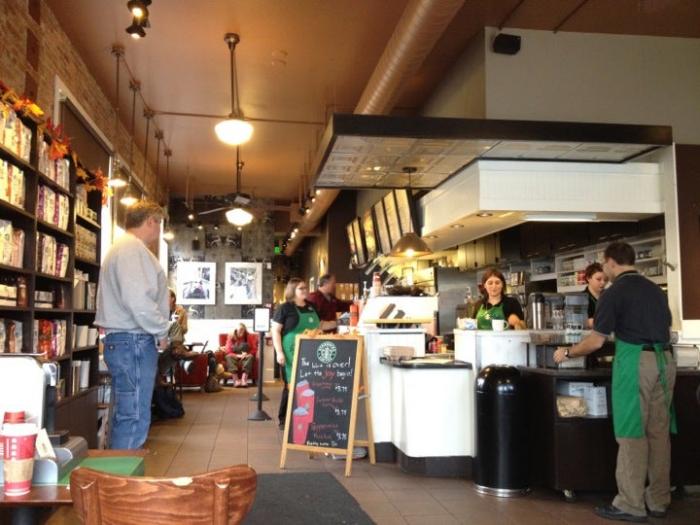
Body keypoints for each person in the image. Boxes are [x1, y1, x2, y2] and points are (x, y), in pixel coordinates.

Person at [554, 242, 675, 523]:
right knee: (659, 433)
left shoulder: (614, 292)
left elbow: (596, 341)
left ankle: (630, 504)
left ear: (610, 262)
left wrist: (569, 352)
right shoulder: (655, 290)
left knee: (632, 431)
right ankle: (658, 500)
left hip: (635, 363)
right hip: (665, 361)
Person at [95, 200, 169, 449]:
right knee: (134, 416)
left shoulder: (123, 248)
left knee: (129, 413)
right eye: (159, 224)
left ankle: (121, 469)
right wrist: (161, 330)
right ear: (151, 221)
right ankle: (124, 472)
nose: (158, 230)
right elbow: (138, 300)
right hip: (133, 341)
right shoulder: (131, 250)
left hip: (126, 341)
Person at [271, 278, 321, 429]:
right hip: (291, 351)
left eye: (305, 288)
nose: (305, 290)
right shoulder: (285, 308)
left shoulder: (312, 306)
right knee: (292, 384)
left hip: (311, 350)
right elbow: (275, 331)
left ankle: (307, 416)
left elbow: (320, 326)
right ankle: (284, 419)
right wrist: (279, 352)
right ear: (292, 290)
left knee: (310, 384)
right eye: (301, 288)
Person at [224, 323, 257, 387]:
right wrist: (237, 355)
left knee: (250, 357)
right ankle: (236, 380)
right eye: (240, 330)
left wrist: (247, 354)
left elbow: (254, 349)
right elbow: (228, 350)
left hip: (245, 356)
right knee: (228, 357)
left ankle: (244, 380)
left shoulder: (249, 336)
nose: (241, 331)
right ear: (236, 330)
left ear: (245, 330)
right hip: (234, 356)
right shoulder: (231, 337)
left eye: (243, 330)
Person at [583, 262, 607, 328]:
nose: (603, 283)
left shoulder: (609, 296)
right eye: (598, 279)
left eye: (605, 280)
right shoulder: (581, 298)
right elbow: (581, 322)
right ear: (588, 278)